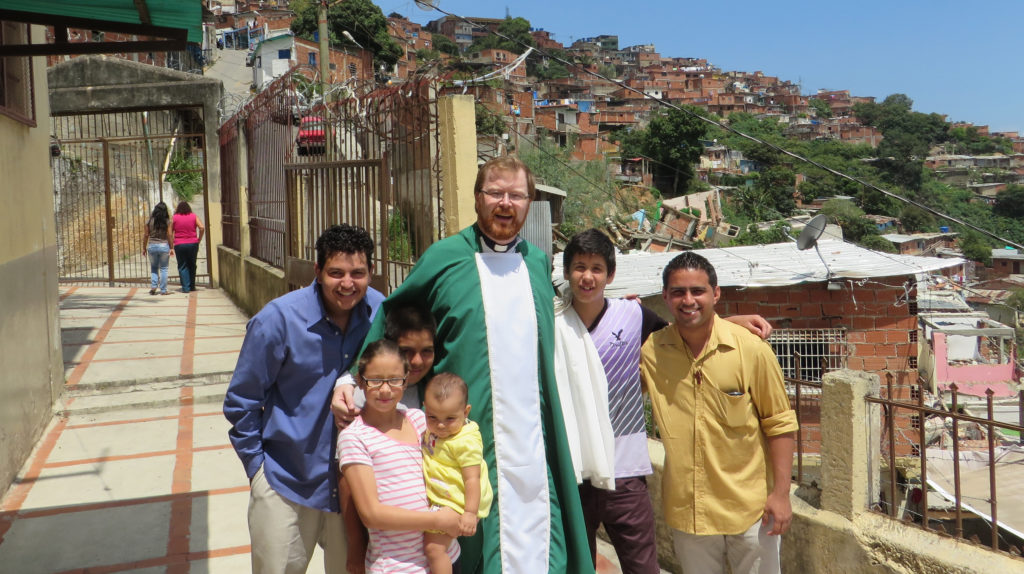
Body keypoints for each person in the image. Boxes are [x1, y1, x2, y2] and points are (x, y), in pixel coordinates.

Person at [336, 156, 591, 573]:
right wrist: (352, 378)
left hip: (533, 435)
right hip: (461, 434)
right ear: (477, 198)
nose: (505, 203)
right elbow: (392, 315)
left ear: (529, 202)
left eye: (516, 195)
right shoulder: (445, 257)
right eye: (494, 193)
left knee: (542, 535)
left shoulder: (539, 263)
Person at [554, 229, 772, 574]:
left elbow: (684, 331)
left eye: (597, 268)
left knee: (642, 566)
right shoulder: (552, 324)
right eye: (579, 267)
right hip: (572, 468)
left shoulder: (632, 317)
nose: (587, 276)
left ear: (610, 275)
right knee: (574, 564)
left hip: (624, 470)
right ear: (566, 272)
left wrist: (731, 322)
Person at [223, 224, 385, 574]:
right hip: (286, 482)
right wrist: (258, 471)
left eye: (358, 273)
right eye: (336, 273)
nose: (347, 284)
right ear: (317, 271)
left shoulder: (380, 313)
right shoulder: (277, 320)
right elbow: (242, 401)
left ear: (371, 272)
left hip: (355, 486)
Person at [639, 252, 798, 574]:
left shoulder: (751, 349)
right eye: (678, 292)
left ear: (716, 293)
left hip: (751, 509)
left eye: (697, 291)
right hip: (689, 509)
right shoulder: (653, 352)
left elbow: (779, 423)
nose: (688, 300)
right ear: (666, 297)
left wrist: (781, 495)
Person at [340, 340, 463, 573]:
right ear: (360, 382)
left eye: (394, 379)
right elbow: (371, 514)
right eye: (375, 380)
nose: (385, 389)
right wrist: (436, 521)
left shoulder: (418, 420)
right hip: (397, 567)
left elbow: (456, 458)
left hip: (446, 556)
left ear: (406, 380)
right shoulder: (354, 437)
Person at [420, 373, 493, 574]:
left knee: (434, 548)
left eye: (450, 418)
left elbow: (472, 479)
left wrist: (470, 513)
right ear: (425, 407)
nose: (441, 425)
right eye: (432, 417)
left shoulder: (465, 441)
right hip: (448, 496)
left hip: (460, 502)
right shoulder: (433, 431)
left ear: (466, 411)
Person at [172, 201, 205, 293]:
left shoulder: (174, 218)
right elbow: (202, 227)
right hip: (192, 243)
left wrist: (171, 244)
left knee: (182, 266)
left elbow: (170, 232)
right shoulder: (193, 216)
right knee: (192, 265)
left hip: (179, 244)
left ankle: (186, 288)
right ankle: (192, 286)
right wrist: (199, 239)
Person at [143, 201, 174, 295]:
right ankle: (163, 290)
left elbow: (146, 235)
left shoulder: (149, 221)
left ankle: (153, 286)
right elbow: (169, 234)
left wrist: (144, 248)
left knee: (154, 267)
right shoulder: (167, 221)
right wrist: (171, 247)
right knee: (164, 268)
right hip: (164, 245)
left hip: (152, 245)